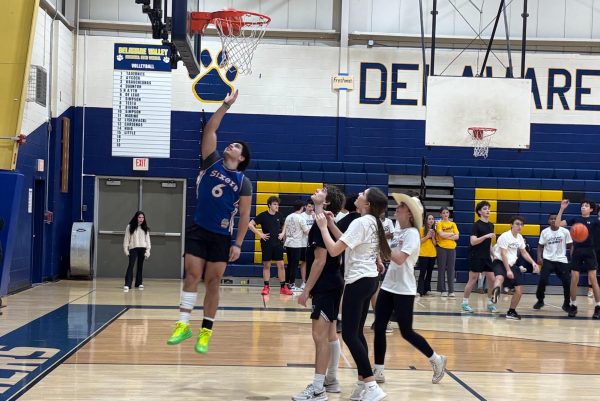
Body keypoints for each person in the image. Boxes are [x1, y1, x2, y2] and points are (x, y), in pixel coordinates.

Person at [166, 90, 252, 354]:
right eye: (231, 143)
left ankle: (205, 331)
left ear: (242, 158)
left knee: (213, 282)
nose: (231, 145)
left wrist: (237, 244)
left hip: (220, 237)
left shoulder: (243, 183)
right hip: (198, 229)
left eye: (236, 146)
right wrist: (225, 105)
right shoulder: (211, 162)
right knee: (192, 275)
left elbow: (245, 217)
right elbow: (210, 131)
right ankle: (183, 324)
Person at [315, 187, 390, 401]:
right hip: (369, 281)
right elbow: (347, 242)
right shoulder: (371, 222)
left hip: (358, 281)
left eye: (362, 194)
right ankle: (362, 384)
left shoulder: (360, 221)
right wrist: (330, 223)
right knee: (356, 333)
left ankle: (372, 386)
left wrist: (322, 228)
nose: (358, 195)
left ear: (367, 204)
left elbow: (334, 250)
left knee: (348, 334)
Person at [373, 194, 447, 387]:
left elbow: (398, 258)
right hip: (389, 285)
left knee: (406, 332)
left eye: (402, 207)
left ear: (411, 214)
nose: (397, 208)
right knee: (379, 326)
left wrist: (382, 242)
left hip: (404, 289)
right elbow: (388, 253)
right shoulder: (399, 231)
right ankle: (378, 369)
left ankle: (436, 359)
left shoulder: (413, 233)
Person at [293, 185, 345, 401]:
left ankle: (317, 389)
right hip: (332, 283)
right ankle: (331, 380)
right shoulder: (322, 220)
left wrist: (306, 290)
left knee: (319, 336)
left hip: (325, 285)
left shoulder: (320, 224)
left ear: (327, 202)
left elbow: (320, 261)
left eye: (321, 190)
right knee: (330, 334)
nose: (316, 189)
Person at [557, 199, 600, 318]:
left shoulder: (595, 221)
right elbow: (557, 224)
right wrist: (562, 209)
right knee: (574, 278)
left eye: (586, 206)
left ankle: (598, 307)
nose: (583, 207)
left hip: (590, 251)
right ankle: (573, 305)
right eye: (582, 205)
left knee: (593, 279)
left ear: (591, 209)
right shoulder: (576, 219)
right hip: (577, 251)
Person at [490, 216, 539, 320]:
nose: (519, 226)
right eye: (517, 224)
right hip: (500, 262)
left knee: (519, 289)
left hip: (512, 264)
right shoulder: (505, 236)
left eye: (521, 224)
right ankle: (494, 299)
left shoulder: (520, 238)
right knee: (499, 278)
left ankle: (511, 311)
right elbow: (503, 254)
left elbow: (524, 252)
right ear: (511, 225)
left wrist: (533, 263)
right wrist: (507, 270)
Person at [249, 196, 293, 295]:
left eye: (277, 204)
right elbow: (250, 224)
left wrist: (282, 233)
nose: (277, 206)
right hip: (266, 244)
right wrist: (260, 234)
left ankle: (283, 287)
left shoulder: (279, 215)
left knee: (281, 265)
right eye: (274, 204)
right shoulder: (263, 216)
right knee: (267, 265)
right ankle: (266, 286)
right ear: (269, 205)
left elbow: (285, 224)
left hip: (277, 244)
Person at [461, 201, 498, 313]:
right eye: (485, 209)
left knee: (492, 279)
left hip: (486, 257)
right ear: (479, 212)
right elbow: (473, 242)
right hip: (476, 256)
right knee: (473, 279)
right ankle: (465, 303)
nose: (488, 210)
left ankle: (491, 303)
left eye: (488, 209)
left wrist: (494, 255)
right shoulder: (476, 225)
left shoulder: (491, 225)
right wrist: (486, 236)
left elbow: (489, 244)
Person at [534, 214, 572, 312]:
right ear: (548, 221)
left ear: (559, 220)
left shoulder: (565, 231)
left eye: (555, 218)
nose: (553, 220)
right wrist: (539, 257)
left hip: (561, 260)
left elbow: (571, 245)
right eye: (551, 219)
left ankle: (566, 304)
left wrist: (572, 258)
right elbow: (540, 246)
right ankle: (540, 300)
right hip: (548, 260)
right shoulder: (545, 232)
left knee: (567, 282)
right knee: (542, 280)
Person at [334, 194, 361, 333]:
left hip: (344, 261)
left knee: (344, 291)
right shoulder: (361, 221)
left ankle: (339, 318)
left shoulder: (342, 221)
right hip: (359, 264)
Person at [369, 212, 395, 333]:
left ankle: (383, 320)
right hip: (370, 260)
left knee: (377, 290)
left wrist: (380, 258)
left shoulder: (380, 223)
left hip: (375, 260)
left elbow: (381, 241)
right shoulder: (366, 221)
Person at [283, 199, 309, 291]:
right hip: (296, 244)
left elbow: (285, 231)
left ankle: (287, 283)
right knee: (294, 265)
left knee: (290, 264)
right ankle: (292, 284)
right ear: (302, 207)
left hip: (288, 243)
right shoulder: (301, 218)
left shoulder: (288, 217)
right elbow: (306, 232)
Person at [122, 211, 151, 292]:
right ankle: (127, 283)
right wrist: (126, 250)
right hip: (133, 248)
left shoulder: (145, 228)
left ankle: (139, 282)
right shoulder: (130, 227)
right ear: (136, 218)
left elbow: (148, 240)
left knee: (140, 266)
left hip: (143, 248)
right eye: (139, 217)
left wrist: (148, 251)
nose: (141, 219)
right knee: (131, 265)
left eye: (142, 217)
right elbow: (126, 239)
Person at [435, 207, 459, 297]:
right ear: (441, 214)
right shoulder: (439, 224)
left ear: (449, 214)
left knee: (451, 270)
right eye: (444, 213)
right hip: (442, 248)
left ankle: (451, 290)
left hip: (452, 248)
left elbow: (457, 236)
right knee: (441, 269)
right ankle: (442, 290)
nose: (445, 214)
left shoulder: (453, 224)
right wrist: (451, 234)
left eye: (447, 213)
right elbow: (441, 234)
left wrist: (447, 236)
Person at [297, 199, 315, 291]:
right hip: (304, 243)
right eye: (309, 206)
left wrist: (315, 217)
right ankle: (304, 281)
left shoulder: (315, 216)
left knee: (314, 263)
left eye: (312, 206)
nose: (310, 208)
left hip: (314, 243)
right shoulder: (301, 216)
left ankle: (311, 282)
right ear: (305, 207)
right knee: (304, 262)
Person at [416, 214, 437, 297]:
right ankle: (419, 290)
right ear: (426, 220)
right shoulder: (422, 229)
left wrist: (432, 237)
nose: (431, 220)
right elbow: (419, 241)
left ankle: (427, 290)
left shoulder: (434, 230)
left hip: (432, 254)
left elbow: (435, 244)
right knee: (422, 273)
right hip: (423, 254)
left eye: (432, 219)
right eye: (429, 219)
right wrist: (427, 236)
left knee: (429, 273)